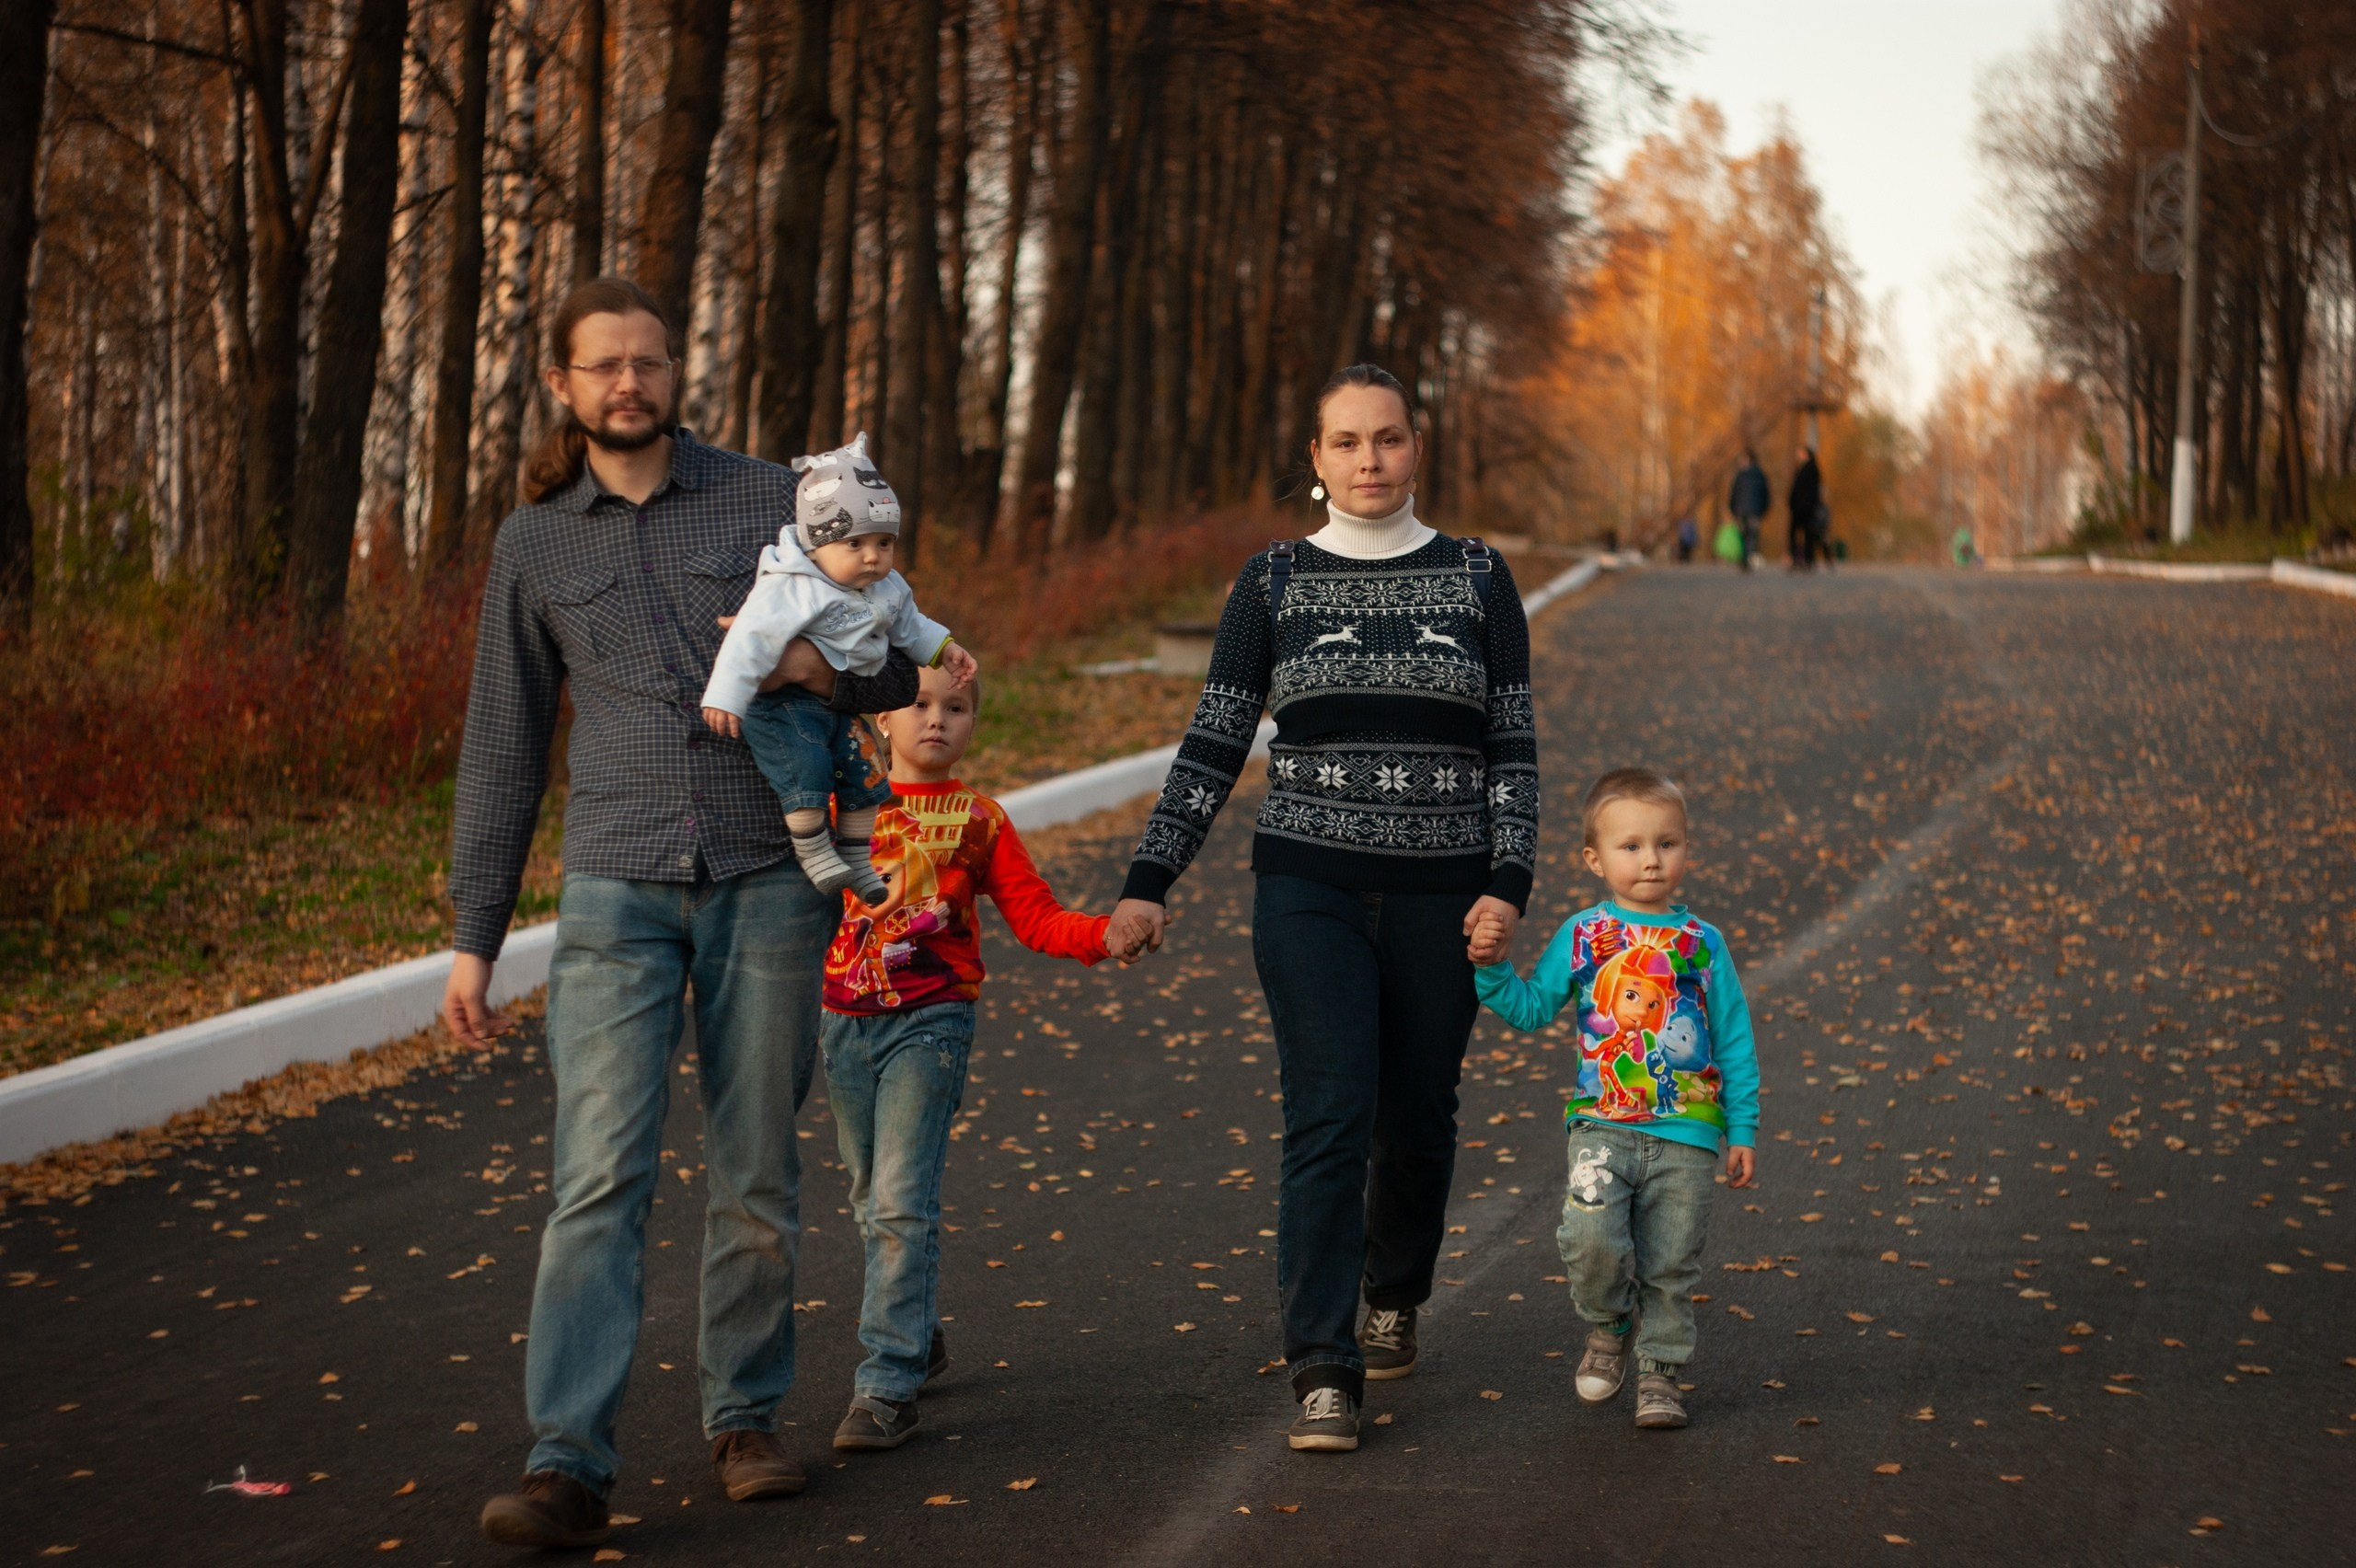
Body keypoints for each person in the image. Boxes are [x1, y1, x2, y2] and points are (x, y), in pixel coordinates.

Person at [443, 276, 922, 1551]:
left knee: (756, 1169)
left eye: (646, 362)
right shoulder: (533, 542)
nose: (628, 385)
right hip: (613, 885)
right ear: (563, 383)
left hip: (770, 878)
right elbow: (503, 745)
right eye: (602, 367)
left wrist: (827, 666)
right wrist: (472, 938)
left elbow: (901, 651)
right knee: (597, 1176)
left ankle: (745, 1421)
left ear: (674, 370)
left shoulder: (777, 495)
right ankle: (566, 1463)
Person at [1109, 363, 1539, 1455]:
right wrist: (1147, 882)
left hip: (1447, 893)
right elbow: (1211, 741)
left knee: (1419, 1114)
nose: (1368, 463)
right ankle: (1321, 1362)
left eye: (1386, 440)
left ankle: (1394, 1285)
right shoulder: (1270, 584)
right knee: (1329, 1111)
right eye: (1345, 443)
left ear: (1416, 445)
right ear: (1315, 458)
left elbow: (1512, 749)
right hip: (1308, 883)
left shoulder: (1480, 578)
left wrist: (1507, 882)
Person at [818, 665, 1151, 1451]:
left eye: (956, 708)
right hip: (844, 1024)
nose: (937, 719)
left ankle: (886, 1384)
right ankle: (919, 1331)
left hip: (932, 1025)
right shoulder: (842, 811)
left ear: (972, 725)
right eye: (920, 705)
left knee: (901, 1200)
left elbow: (1037, 918)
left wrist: (1104, 934)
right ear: (883, 722)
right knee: (871, 1198)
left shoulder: (980, 820)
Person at [1467, 768, 1760, 1431]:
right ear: (1595, 859)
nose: (1651, 860)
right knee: (1592, 1240)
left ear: (1687, 849)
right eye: (1631, 846)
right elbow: (1533, 1007)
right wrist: (1491, 967)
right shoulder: (1582, 934)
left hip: (1687, 1131)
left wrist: (1741, 1128)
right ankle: (1609, 1323)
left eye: (1667, 843)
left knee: (1671, 1262)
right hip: (1602, 1125)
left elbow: (1734, 1039)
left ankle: (1661, 1373)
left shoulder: (1704, 944)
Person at [700, 432, 977, 902]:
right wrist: (726, 696)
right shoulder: (793, 585)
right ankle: (813, 850)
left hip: (840, 705)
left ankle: (854, 854)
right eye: (856, 545)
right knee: (806, 771)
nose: (873, 557)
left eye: (884, 543)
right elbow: (750, 638)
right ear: (817, 546)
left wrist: (944, 647)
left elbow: (910, 625)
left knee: (866, 772)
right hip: (783, 708)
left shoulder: (886, 585)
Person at [1727, 450, 1769, 572]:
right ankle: (1749, 557)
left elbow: (1734, 493)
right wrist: (1764, 508)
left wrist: (1732, 507)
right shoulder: (1759, 474)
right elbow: (1765, 494)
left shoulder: (1741, 475)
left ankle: (1746, 559)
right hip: (1752, 509)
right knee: (1750, 535)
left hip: (1744, 509)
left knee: (1746, 534)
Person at [1787, 445, 1824, 571]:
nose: (1799, 455)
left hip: (1803, 507)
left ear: (1806, 455)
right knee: (1804, 534)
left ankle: (1802, 559)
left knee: (1801, 533)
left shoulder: (1810, 469)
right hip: (1803, 506)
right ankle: (1804, 559)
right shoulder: (1809, 469)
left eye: (1801, 453)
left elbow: (1807, 490)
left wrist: (1797, 503)